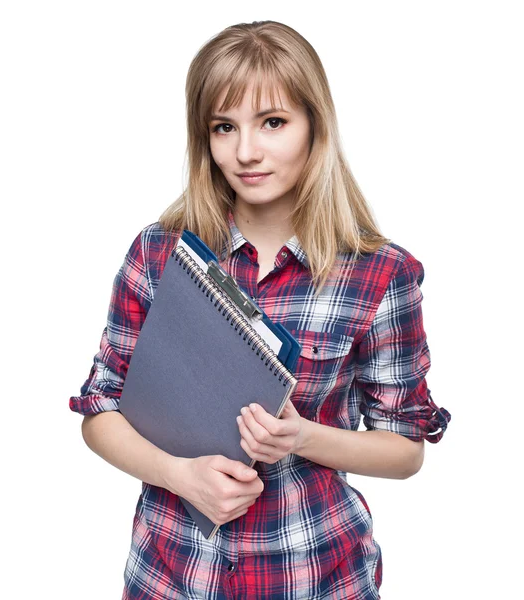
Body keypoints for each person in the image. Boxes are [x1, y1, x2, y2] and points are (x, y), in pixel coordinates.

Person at [70, 20, 451, 599]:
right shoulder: (158, 253)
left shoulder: (380, 273)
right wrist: (180, 477)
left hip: (316, 577)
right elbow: (100, 412)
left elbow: (405, 451)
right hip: (173, 578)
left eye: (272, 123)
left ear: (313, 127)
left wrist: (301, 437)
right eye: (224, 127)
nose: (246, 152)